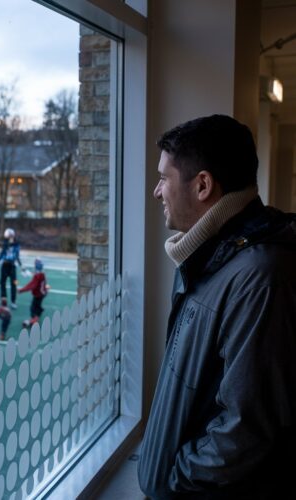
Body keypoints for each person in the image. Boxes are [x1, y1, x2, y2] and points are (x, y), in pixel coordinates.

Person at [138, 114, 296, 499]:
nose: (157, 192)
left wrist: (175, 482)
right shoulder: (208, 256)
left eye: (164, 178)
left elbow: (246, 427)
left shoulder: (259, 276)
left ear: (203, 185)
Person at [0, 228, 22, 309]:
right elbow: (4, 254)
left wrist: (21, 265)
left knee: (8, 283)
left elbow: (15, 255)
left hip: (9, 265)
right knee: (7, 283)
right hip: (8, 266)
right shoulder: (9, 244)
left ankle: (9, 300)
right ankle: (8, 300)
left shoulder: (12, 244)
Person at [19, 258, 47, 327]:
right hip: (43, 292)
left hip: (38, 294)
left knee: (33, 308)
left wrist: (22, 290)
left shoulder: (37, 276)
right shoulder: (42, 274)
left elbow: (32, 285)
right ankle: (40, 311)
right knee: (38, 305)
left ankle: (34, 319)